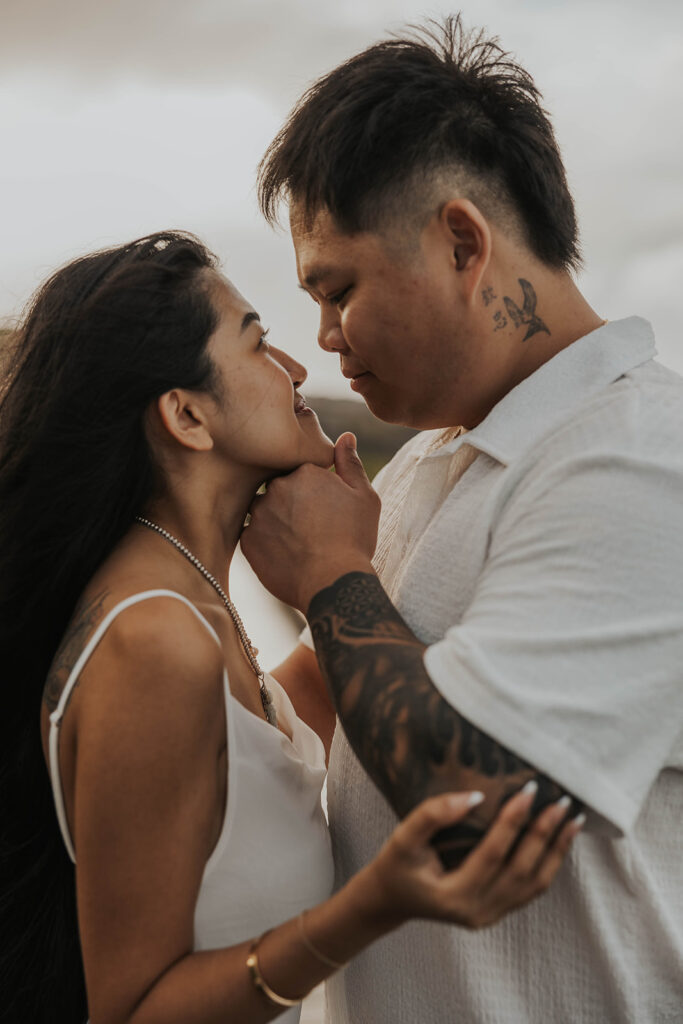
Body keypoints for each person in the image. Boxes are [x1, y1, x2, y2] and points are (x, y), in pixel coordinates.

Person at [0, 231, 578, 1024]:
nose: (299, 367)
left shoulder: (193, 605)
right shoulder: (153, 641)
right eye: (260, 344)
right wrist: (370, 905)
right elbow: (132, 1011)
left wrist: (344, 566)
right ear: (187, 416)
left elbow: (282, 734)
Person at [243, 15, 683, 1024]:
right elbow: (302, 715)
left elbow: (472, 820)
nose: (323, 339)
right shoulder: (429, 470)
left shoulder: (639, 457)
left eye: (337, 288)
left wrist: (326, 572)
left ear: (459, 241)